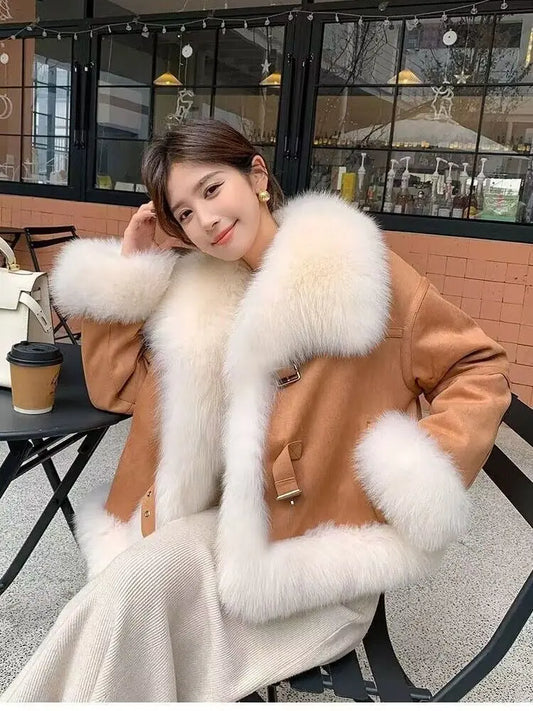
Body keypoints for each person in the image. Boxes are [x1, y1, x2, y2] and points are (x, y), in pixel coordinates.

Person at [2, 118, 511, 702]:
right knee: (118, 612)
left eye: (212, 189)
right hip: (216, 532)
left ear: (258, 176)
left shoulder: (356, 270)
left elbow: (479, 367)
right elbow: (115, 390)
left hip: (314, 563)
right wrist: (131, 267)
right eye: (184, 213)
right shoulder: (203, 293)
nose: (205, 219)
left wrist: (407, 473)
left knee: (128, 601)